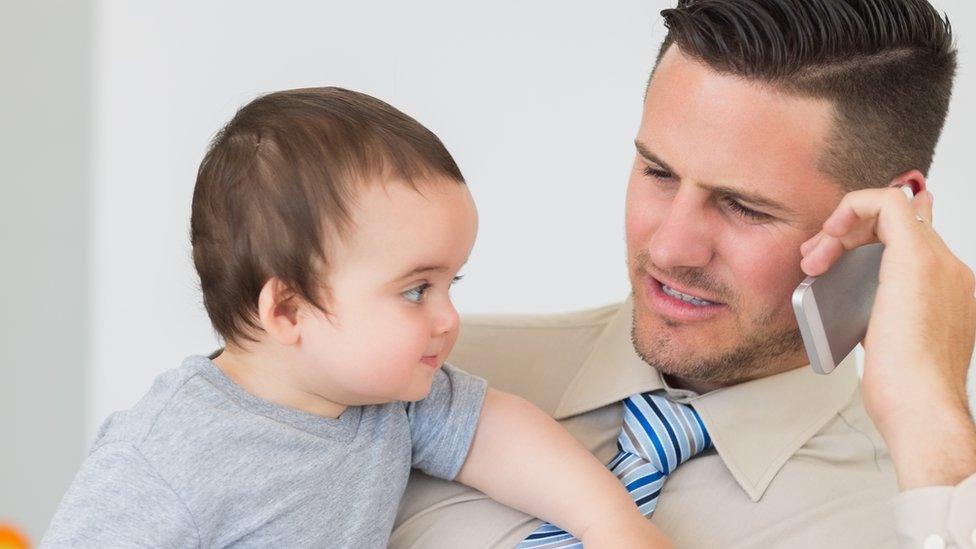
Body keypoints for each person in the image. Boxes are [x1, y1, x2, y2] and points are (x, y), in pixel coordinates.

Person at [392, 1, 976, 547]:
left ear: (885, 216)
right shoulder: (404, 379)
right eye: (658, 172)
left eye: (744, 207)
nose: (670, 248)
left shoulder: (915, 511)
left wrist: (930, 413)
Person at [40, 88, 670, 548]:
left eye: (453, 283)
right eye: (416, 290)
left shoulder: (390, 396)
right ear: (288, 309)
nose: (449, 318)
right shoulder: (164, 455)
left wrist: (609, 521)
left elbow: (497, 435)